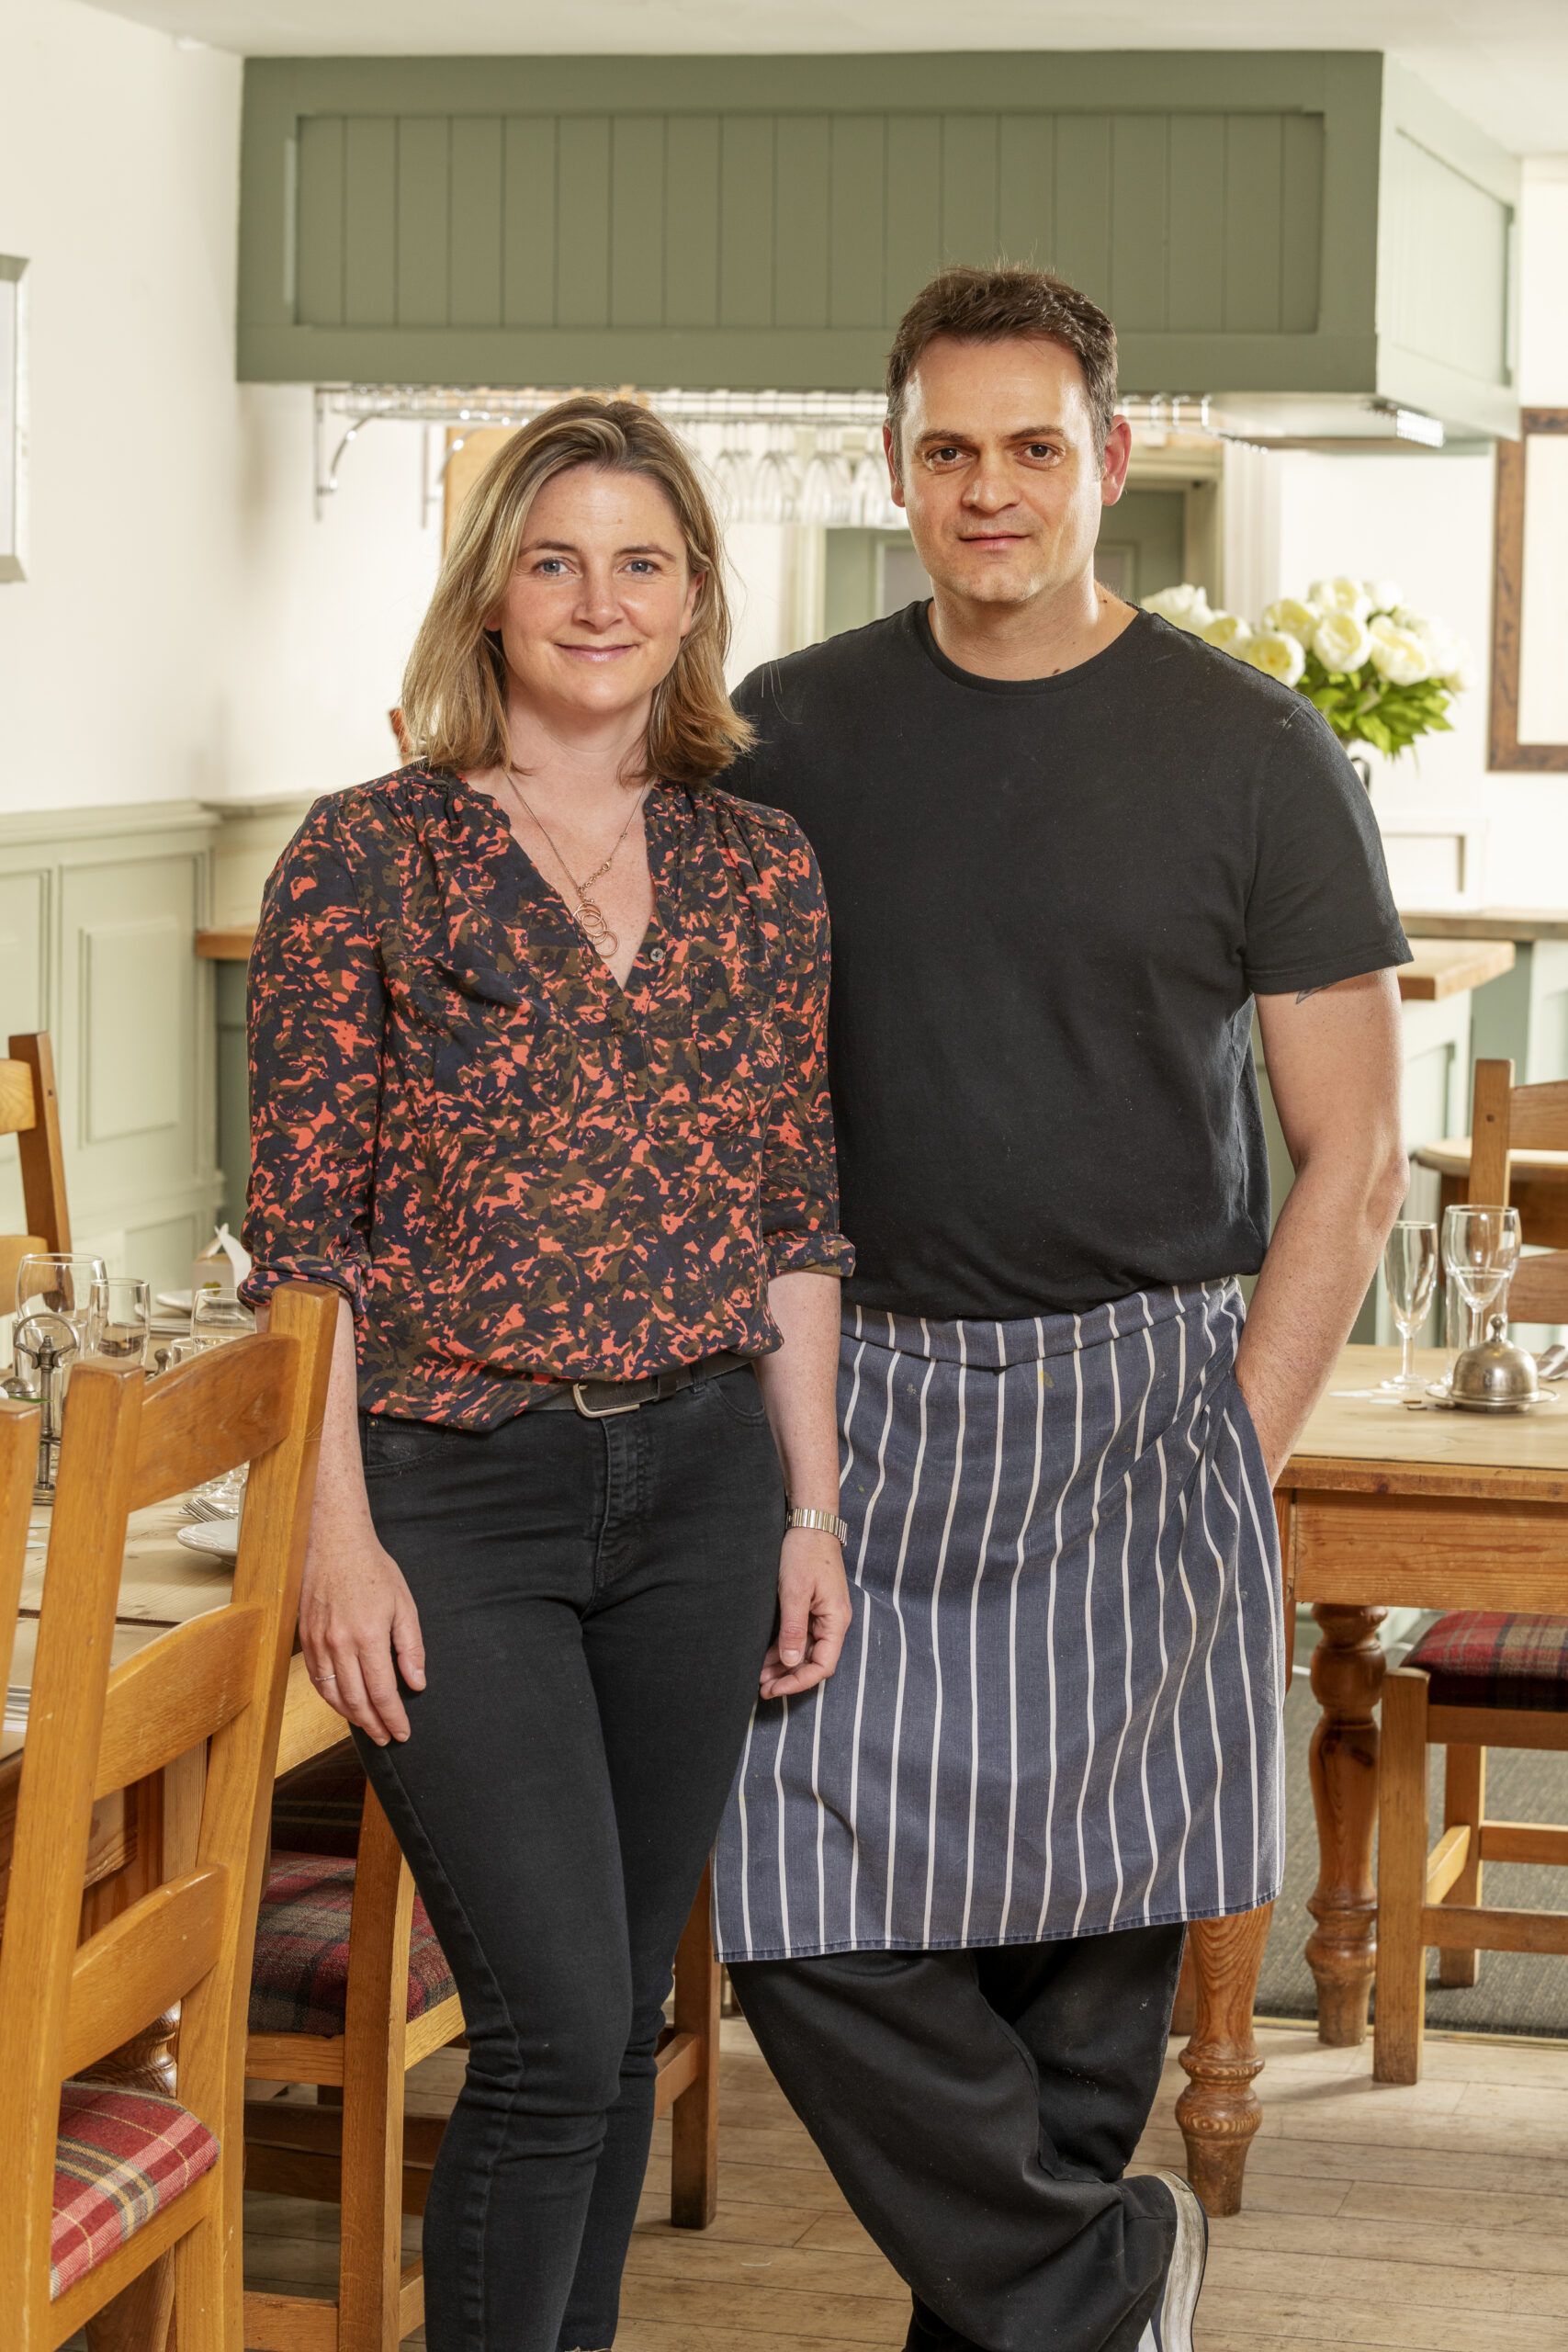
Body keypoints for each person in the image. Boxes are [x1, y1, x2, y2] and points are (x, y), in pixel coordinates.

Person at [714, 267, 1410, 2352]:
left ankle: (1048, 2306)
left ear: (1107, 458)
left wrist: (1232, 1439)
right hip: (873, 1407)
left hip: (1149, 1397)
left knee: (1088, 1983)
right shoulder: (783, 731)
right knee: (794, 1906)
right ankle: (1105, 2280)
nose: (989, 489)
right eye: (947, 449)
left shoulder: (1254, 750)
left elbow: (1352, 1152)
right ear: (896, 468)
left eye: (1033, 447)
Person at [241, 397, 854, 2352]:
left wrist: (810, 1507)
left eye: (641, 561)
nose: (599, 598)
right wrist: (333, 1534)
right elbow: (306, 1245)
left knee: (615, 2034)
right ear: (491, 596)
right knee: (552, 2021)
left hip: (700, 1490)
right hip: (452, 1490)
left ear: (692, 603)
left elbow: (793, 1218)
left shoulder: (763, 871)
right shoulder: (368, 855)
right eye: (555, 558)